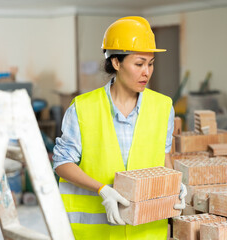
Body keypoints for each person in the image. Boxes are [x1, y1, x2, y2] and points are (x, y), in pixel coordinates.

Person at [53, 16, 187, 239]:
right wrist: (102, 189)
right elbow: (62, 162)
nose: (147, 72)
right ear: (116, 63)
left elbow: (163, 155)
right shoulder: (83, 108)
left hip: (147, 231)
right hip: (96, 233)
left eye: (151, 64)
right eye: (139, 63)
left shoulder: (163, 107)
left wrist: (174, 182)